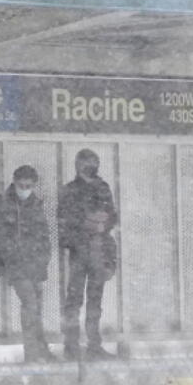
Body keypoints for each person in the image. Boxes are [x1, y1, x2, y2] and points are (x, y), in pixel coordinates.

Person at [58, 148, 119, 360]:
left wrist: (103, 225)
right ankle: (71, 346)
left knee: (95, 300)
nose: (90, 167)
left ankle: (94, 345)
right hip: (79, 250)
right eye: (86, 163)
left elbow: (112, 215)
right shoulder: (69, 190)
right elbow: (64, 222)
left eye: (93, 162)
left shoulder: (103, 188)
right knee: (74, 300)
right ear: (77, 165)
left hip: (98, 249)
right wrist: (85, 224)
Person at [0, 164, 55, 363]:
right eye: (22, 185)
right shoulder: (5, 203)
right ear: (15, 182)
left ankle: (40, 349)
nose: (25, 189)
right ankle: (32, 353)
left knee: (36, 307)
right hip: (18, 264)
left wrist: (43, 257)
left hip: (34, 264)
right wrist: (11, 256)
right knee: (30, 304)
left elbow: (44, 234)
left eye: (29, 185)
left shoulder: (36, 203)